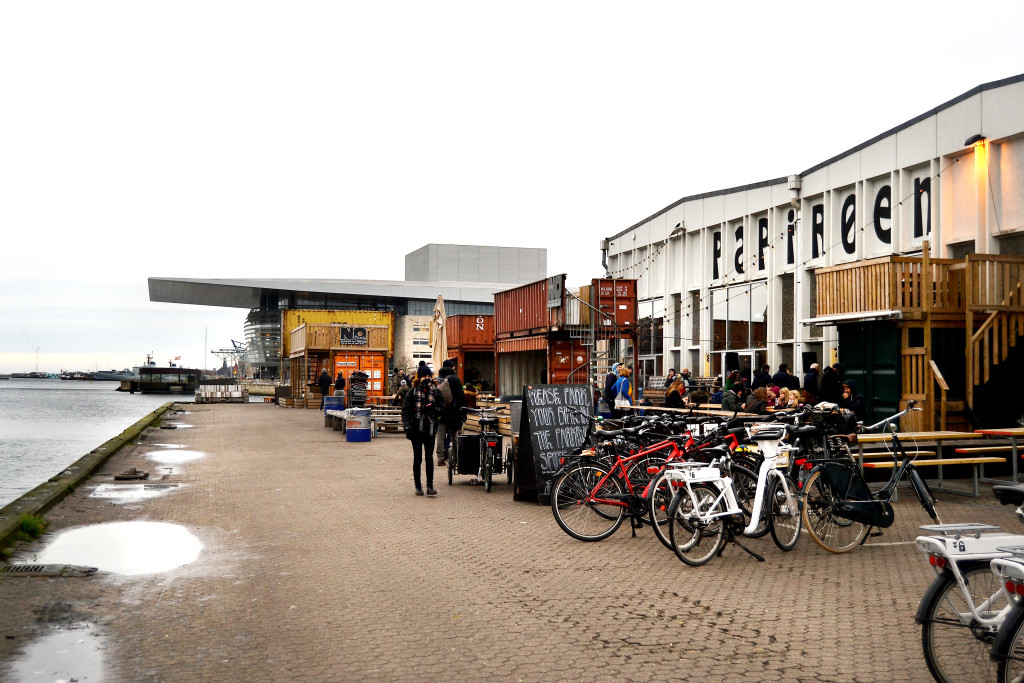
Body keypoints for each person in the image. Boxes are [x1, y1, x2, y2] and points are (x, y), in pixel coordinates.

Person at [402, 365, 439, 496]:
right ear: (419, 377)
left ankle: (430, 486)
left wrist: (434, 409)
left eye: (429, 376)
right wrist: (407, 426)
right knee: (417, 458)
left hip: (430, 429)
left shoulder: (435, 391)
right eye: (424, 376)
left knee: (429, 457)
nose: (426, 379)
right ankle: (418, 486)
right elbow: (405, 411)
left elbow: (442, 408)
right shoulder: (412, 392)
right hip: (416, 429)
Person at [435, 359, 466, 468]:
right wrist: (464, 412)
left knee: (440, 434)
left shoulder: (438, 379)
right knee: (454, 435)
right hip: (454, 412)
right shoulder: (455, 379)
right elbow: (461, 396)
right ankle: (456, 457)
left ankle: (440, 458)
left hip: (440, 412)